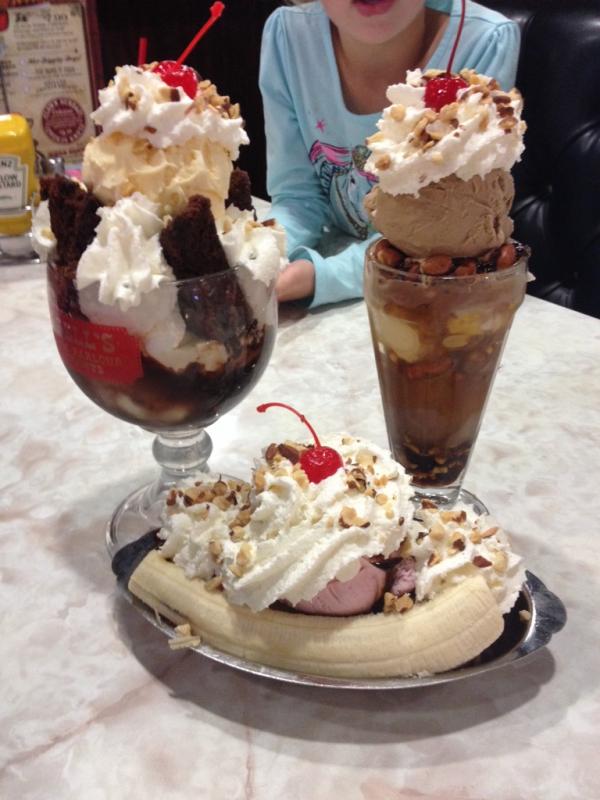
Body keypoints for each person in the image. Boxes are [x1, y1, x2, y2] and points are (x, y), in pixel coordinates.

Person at [259, 0, 521, 306]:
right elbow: (297, 197)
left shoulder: (485, 40)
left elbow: (443, 237)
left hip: (440, 298)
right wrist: (260, 258)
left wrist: (321, 277)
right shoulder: (287, 35)